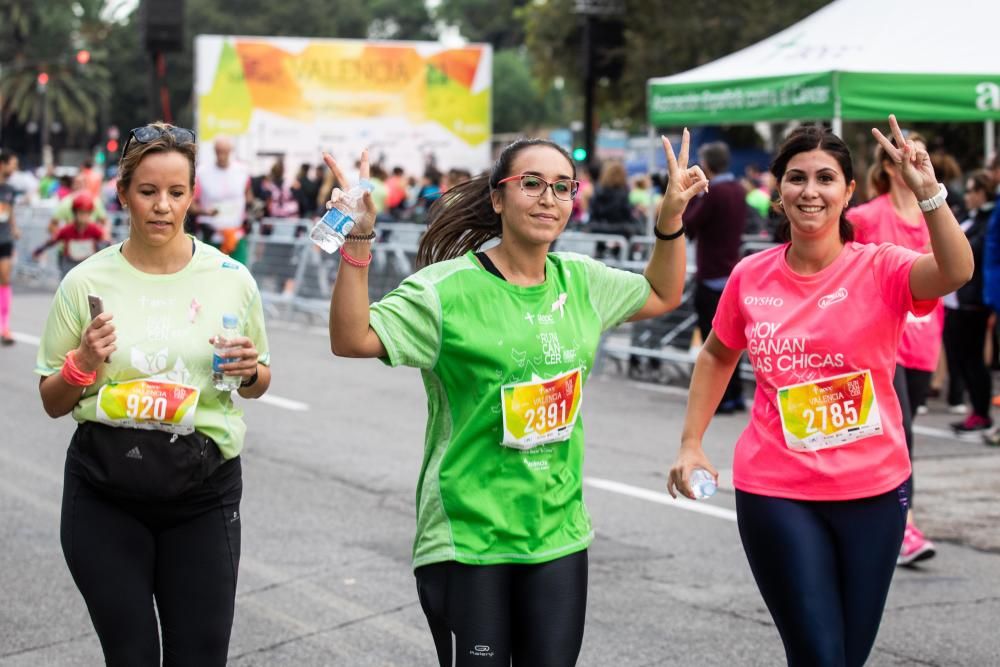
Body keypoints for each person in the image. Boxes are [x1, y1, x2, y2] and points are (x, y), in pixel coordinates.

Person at [327, 132, 706, 666]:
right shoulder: (444, 291)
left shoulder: (582, 282)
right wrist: (359, 239)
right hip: (468, 538)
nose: (548, 198)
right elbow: (351, 338)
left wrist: (670, 219)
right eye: (531, 183)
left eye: (562, 187)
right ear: (498, 198)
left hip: (557, 535)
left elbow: (663, 293)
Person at [667, 117, 973, 667]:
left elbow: (955, 271)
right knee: (820, 655)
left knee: (846, 658)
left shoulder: (881, 268)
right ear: (778, 192)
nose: (811, 191)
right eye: (797, 178)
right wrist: (692, 442)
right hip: (777, 490)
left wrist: (928, 192)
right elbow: (716, 353)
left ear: (848, 191)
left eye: (826, 178)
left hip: (875, 492)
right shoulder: (750, 276)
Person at [35, 122, 271, 665]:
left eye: (176, 192)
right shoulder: (85, 283)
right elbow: (51, 400)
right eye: (147, 191)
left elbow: (259, 381)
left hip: (203, 492)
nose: (162, 206)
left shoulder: (231, 278)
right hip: (105, 493)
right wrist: (84, 362)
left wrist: (249, 369)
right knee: (133, 654)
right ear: (122, 194)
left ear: (193, 195)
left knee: (200, 656)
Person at [847, 130, 943, 565]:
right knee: (900, 432)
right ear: (888, 165)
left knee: (903, 432)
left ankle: (871, 510)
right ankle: (904, 526)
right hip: (880, 342)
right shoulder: (866, 216)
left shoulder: (935, 214)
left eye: (918, 152)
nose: (912, 159)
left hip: (924, 339)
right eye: (903, 153)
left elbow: (950, 278)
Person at [683, 140, 748, 413]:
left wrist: (687, 195)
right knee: (733, 342)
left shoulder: (715, 193)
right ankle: (735, 396)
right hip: (731, 271)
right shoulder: (738, 190)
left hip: (710, 274)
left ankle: (721, 398)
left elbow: (688, 225)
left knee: (715, 342)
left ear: (707, 164)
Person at [943, 169, 994, 437]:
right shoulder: (967, 216)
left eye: (974, 190)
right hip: (954, 301)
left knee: (974, 361)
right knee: (959, 359)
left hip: (972, 301)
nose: (970, 195)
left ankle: (981, 412)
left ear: (984, 193)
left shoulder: (989, 222)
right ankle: (974, 410)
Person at [194, 135, 252, 264]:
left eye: (225, 151)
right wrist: (205, 212)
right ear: (214, 151)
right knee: (211, 279)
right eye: (218, 151)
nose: (222, 155)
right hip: (211, 236)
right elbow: (190, 204)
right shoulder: (202, 172)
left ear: (230, 151)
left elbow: (249, 197)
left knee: (240, 278)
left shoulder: (242, 171)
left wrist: (254, 208)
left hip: (236, 235)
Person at [32, 192, 109, 276]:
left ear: (90, 214)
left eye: (86, 213)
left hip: (87, 264)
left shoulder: (94, 229)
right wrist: (39, 250)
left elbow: (106, 241)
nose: (83, 216)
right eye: (81, 212)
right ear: (75, 213)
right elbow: (52, 240)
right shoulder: (67, 229)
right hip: (70, 265)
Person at [0, 149, 19, 345]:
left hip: (4, 239)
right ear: (2, 164)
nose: (15, 168)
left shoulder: (10, 190)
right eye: (13, 163)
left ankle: (4, 327)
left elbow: (10, 212)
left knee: (4, 278)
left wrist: (14, 228)